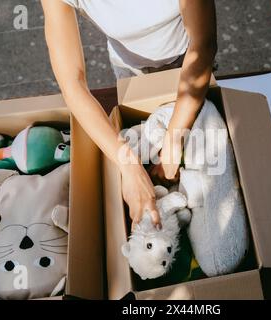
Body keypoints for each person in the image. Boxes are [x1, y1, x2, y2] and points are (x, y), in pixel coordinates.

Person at [40, 0, 217, 229]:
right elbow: (72, 85)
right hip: (129, 69)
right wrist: (129, 165)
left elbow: (203, 45)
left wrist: (173, 140)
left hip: (188, 60)